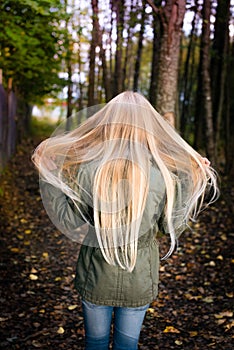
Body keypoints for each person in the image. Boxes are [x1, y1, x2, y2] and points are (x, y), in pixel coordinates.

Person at [32, 91, 218, 350]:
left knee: (95, 344)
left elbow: (68, 219)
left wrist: (49, 174)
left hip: (95, 275)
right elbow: (170, 226)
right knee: (127, 347)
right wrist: (190, 179)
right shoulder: (162, 175)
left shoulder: (87, 169)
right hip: (139, 278)